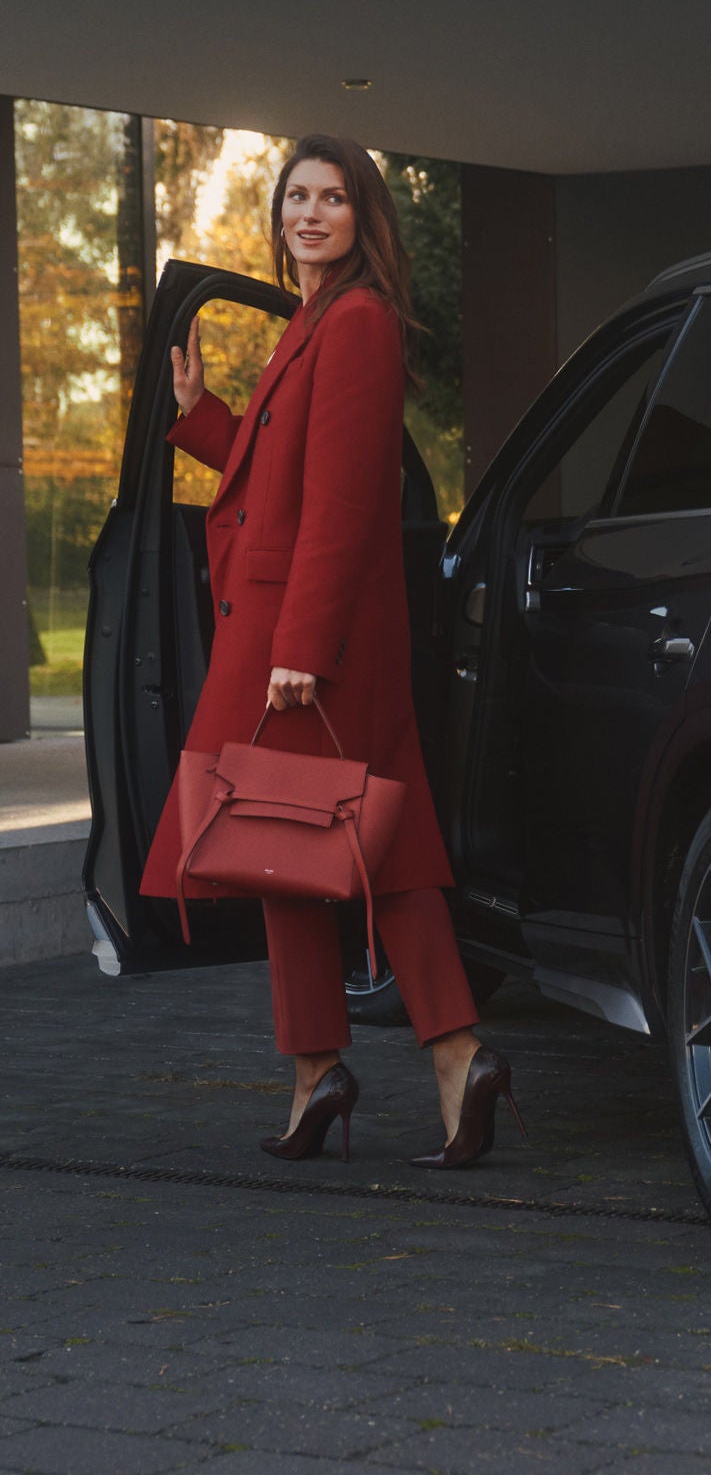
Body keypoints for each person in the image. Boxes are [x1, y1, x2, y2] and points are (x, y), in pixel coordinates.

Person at [139, 133, 525, 1170]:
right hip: (299, 631)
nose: (310, 214)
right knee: (327, 850)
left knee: (314, 841)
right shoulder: (312, 322)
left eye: (333, 198)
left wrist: (301, 645)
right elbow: (284, 474)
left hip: (308, 641)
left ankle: (376, 1065)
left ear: (364, 219)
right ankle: (397, 1065)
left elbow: (345, 502)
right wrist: (202, 419)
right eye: (296, 197)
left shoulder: (357, 324)